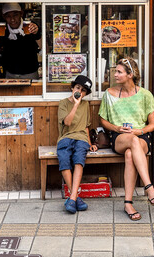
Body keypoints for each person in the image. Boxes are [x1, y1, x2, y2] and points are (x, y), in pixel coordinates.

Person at [98, 57, 154, 221]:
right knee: (131, 141)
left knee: (130, 154)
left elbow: (153, 124)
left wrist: (138, 130)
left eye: (119, 72)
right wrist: (117, 128)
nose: (115, 75)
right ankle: (149, 187)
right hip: (119, 136)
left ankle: (128, 203)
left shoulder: (145, 95)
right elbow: (103, 120)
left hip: (141, 136)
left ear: (130, 74)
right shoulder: (110, 94)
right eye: (115, 71)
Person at [57, 75, 97, 213]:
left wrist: (90, 143)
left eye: (83, 90)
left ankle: (72, 198)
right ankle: (75, 197)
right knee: (64, 160)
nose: (80, 91)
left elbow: (85, 126)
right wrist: (75, 104)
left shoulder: (86, 105)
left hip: (81, 138)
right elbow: (67, 123)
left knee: (79, 160)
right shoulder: (63, 103)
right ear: (72, 88)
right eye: (78, 87)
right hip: (65, 137)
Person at [0, 3, 42, 79]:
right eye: (8, 16)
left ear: (21, 14)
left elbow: (44, 49)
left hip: (31, 73)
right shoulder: (3, 29)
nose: (12, 19)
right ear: (4, 17)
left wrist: (37, 33)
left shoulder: (30, 27)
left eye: (15, 15)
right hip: (10, 74)